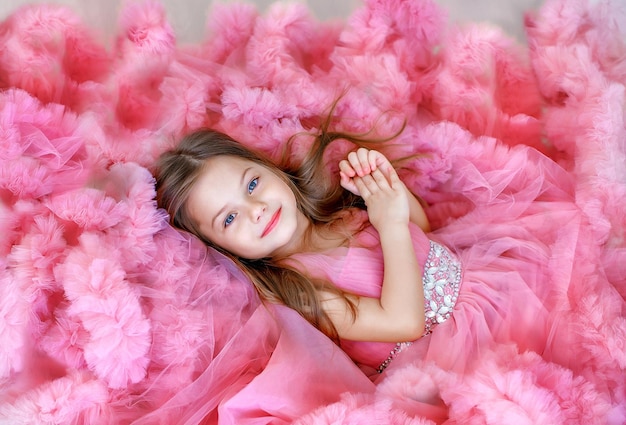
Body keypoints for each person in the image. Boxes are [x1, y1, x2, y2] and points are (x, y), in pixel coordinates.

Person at [154, 119, 584, 378]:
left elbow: (424, 235)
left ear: (270, 169)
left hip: (484, 284)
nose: (255, 209)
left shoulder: (335, 210)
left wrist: (386, 192)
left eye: (252, 184)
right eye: (228, 219)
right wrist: (389, 221)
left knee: (571, 294)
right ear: (221, 249)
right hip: (445, 357)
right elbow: (404, 322)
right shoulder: (299, 293)